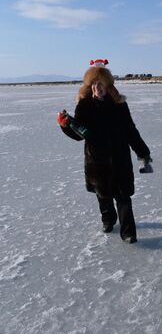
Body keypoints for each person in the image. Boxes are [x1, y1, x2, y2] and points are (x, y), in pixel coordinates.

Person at [57, 60, 152, 244]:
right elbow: (79, 134)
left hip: (120, 158)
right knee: (103, 195)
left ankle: (128, 232)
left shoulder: (119, 105)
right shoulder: (85, 106)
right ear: (90, 86)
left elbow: (130, 130)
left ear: (108, 86)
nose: (97, 87)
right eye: (94, 84)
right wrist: (65, 125)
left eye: (101, 84)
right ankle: (108, 220)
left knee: (123, 197)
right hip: (97, 160)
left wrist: (142, 152)